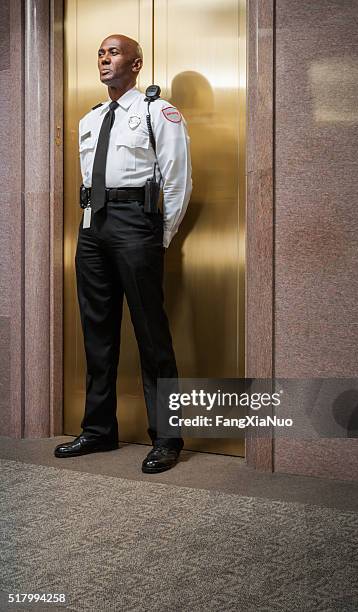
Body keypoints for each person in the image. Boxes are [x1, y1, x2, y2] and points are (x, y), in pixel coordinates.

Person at [54, 34, 192, 473]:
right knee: (96, 332)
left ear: (136, 63)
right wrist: (90, 225)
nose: (104, 58)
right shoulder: (90, 119)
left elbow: (177, 179)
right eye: (100, 53)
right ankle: (98, 430)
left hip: (137, 225)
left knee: (152, 335)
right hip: (94, 224)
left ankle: (167, 437)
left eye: (113, 52)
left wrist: (160, 236)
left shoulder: (157, 112)